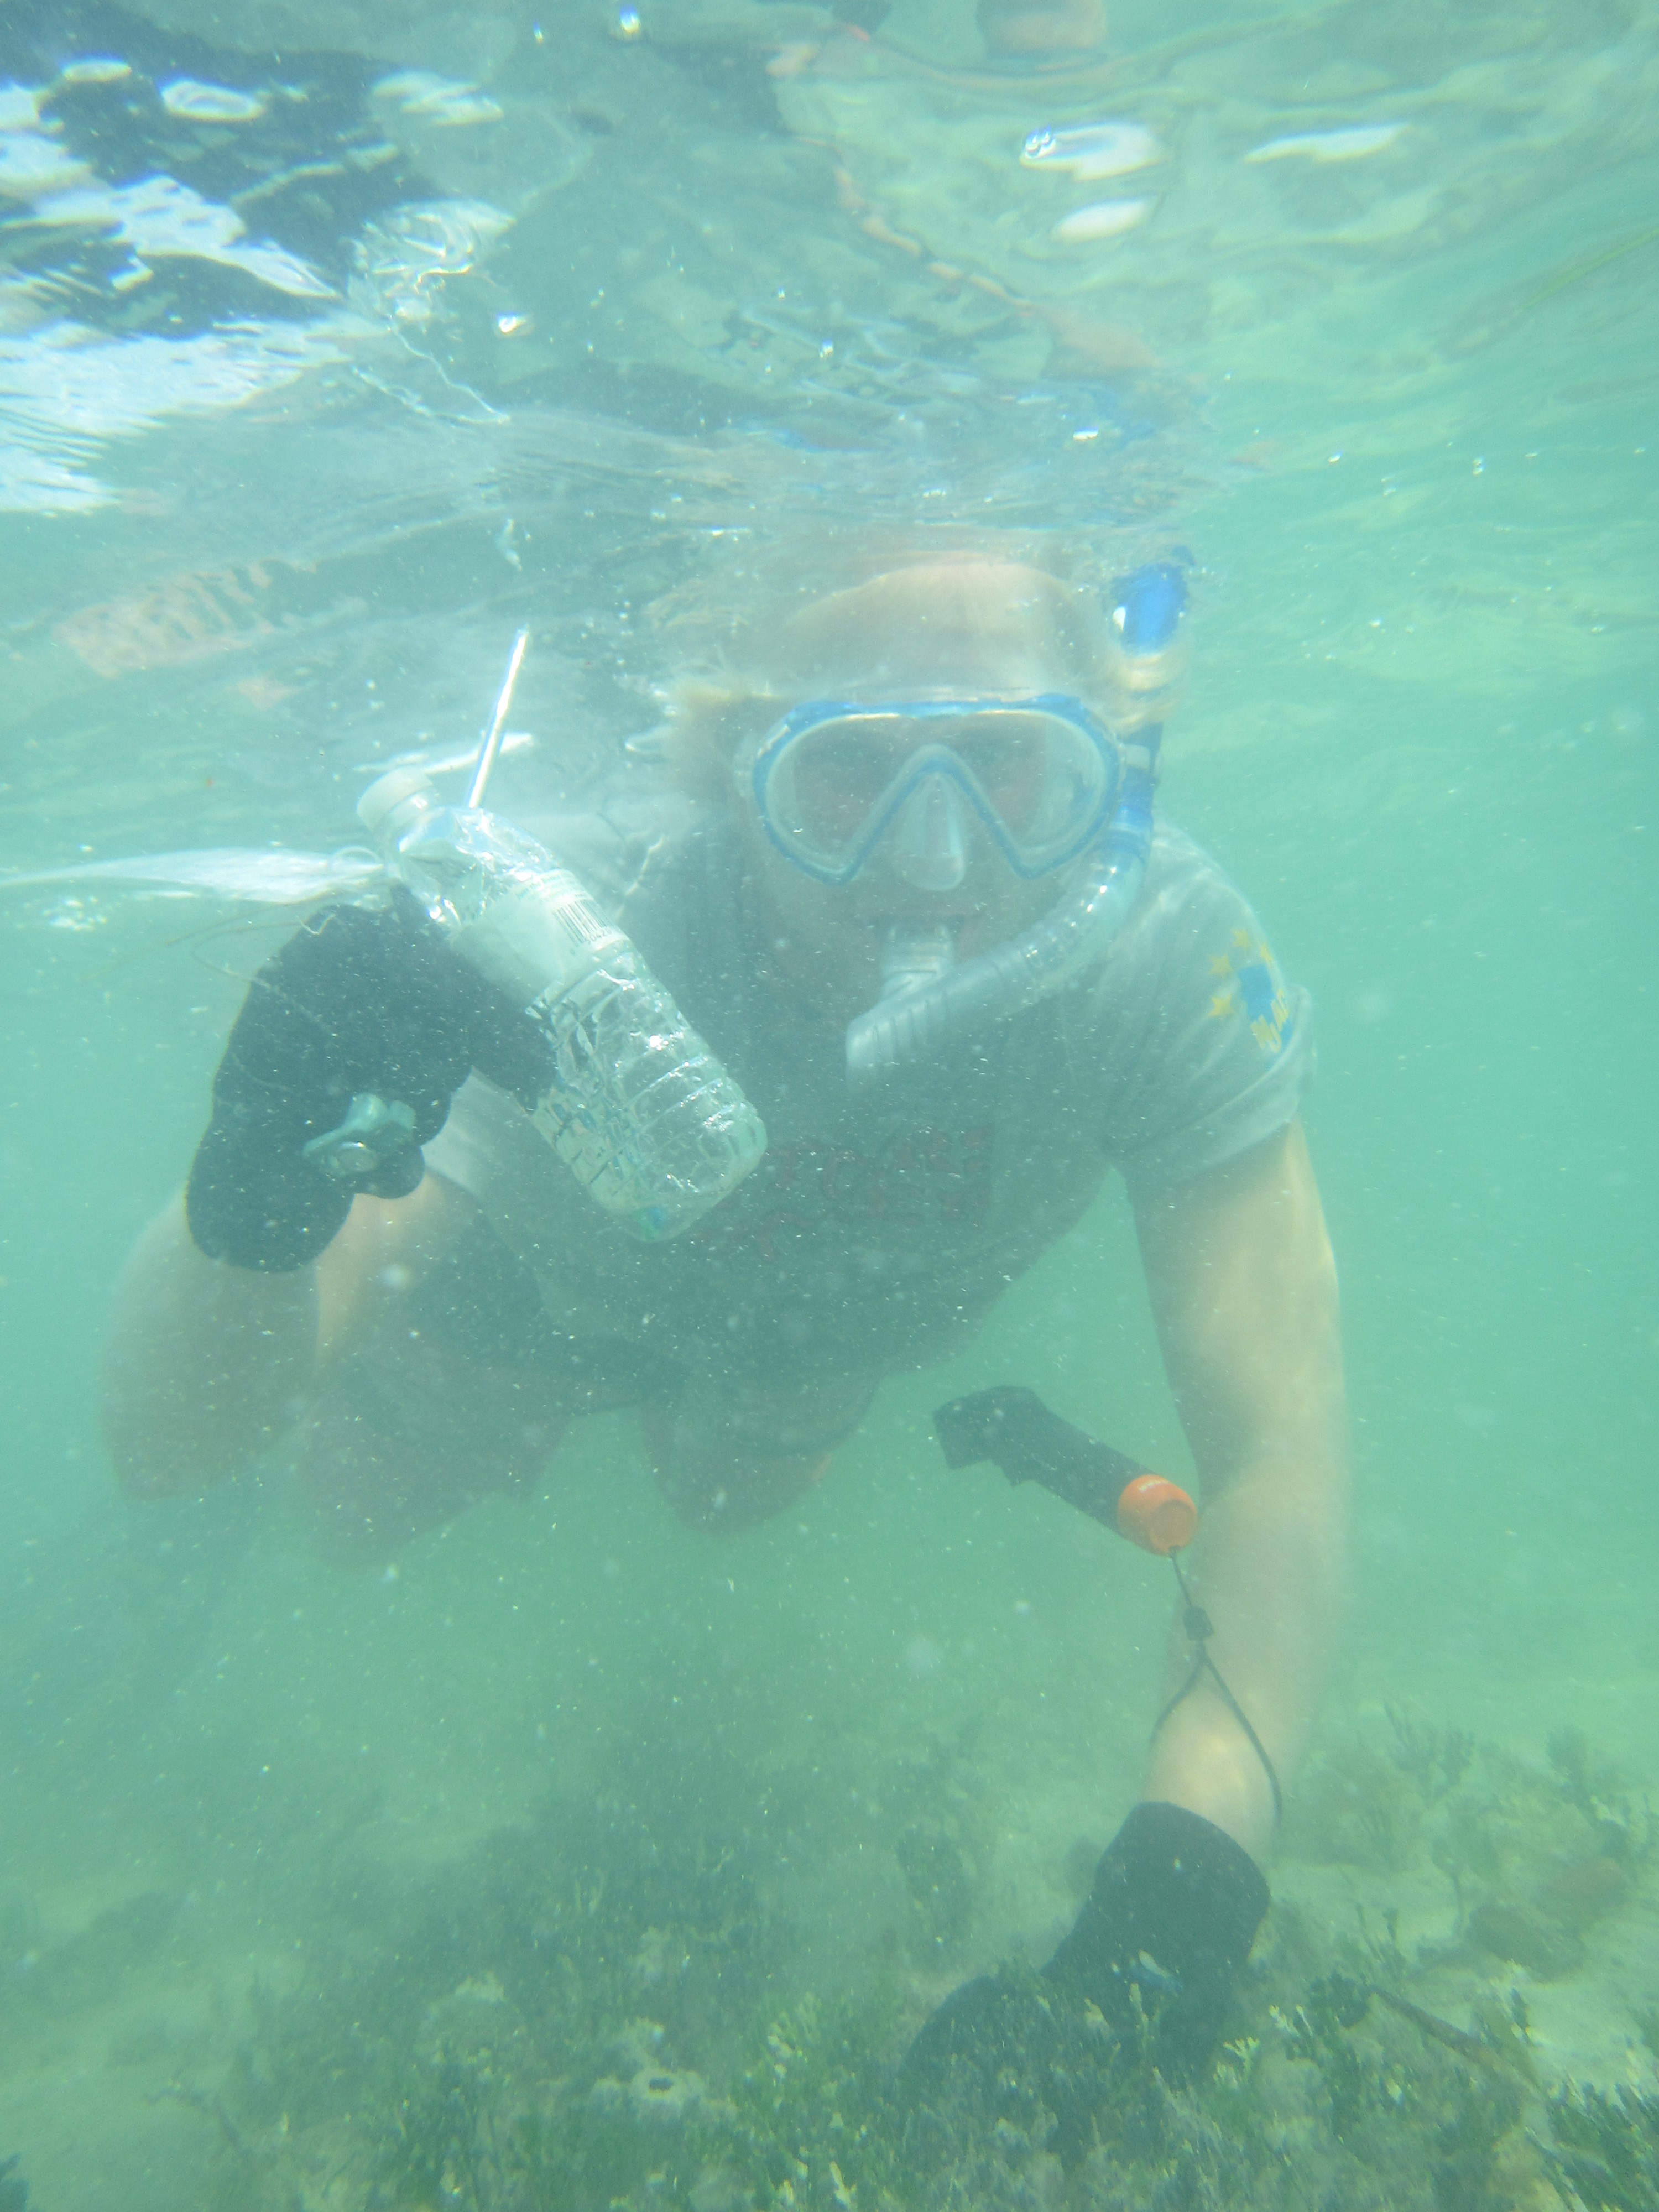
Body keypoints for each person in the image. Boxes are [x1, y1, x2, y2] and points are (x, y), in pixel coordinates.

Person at [101, 555, 1348, 2133]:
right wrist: (260, 1186)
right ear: (727, 771)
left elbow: (1276, 1445)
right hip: (534, 1308)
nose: (938, 856)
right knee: (350, 1508)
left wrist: (1179, 1903)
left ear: (1107, 766)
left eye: (1005, 759)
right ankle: (392, 1425)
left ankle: (711, 1413)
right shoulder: (566, 925)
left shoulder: (1165, 946)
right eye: (851, 771)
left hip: (821, 1334)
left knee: (730, 1504)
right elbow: (170, 1450)